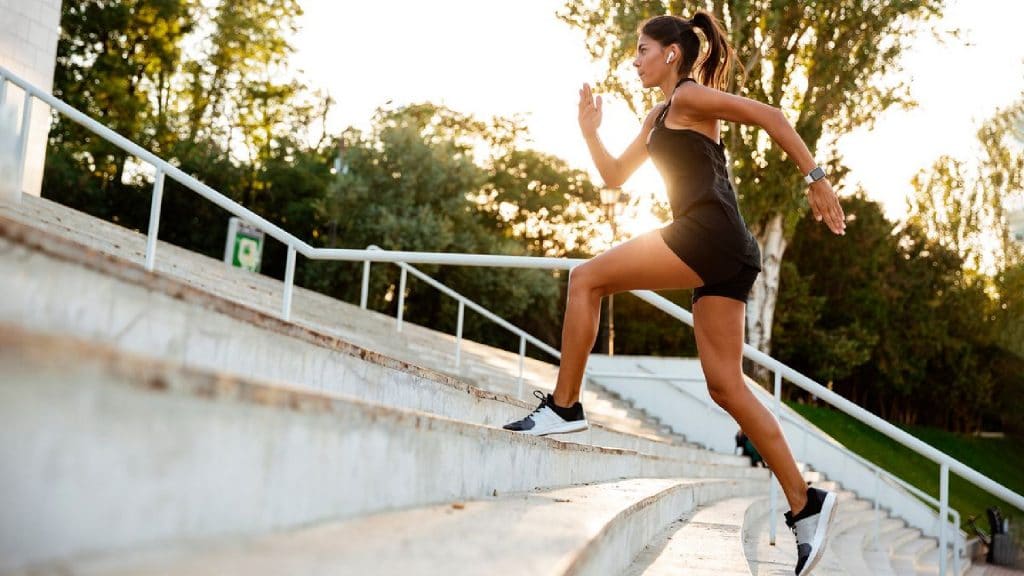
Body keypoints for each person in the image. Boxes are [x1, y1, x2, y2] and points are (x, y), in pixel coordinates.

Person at [502, 10, 843, 575]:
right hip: (727, 251)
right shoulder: (660, 113)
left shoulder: (689, 98)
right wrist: (590, 133)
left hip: (708, 235)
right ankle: (806, 503)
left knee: (586, 278)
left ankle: (564, 407)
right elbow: (614, 176)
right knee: (726, 386)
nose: (634, 60)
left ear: (672, 55)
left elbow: (772, 116)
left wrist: (816, 179)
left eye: (642, 50)